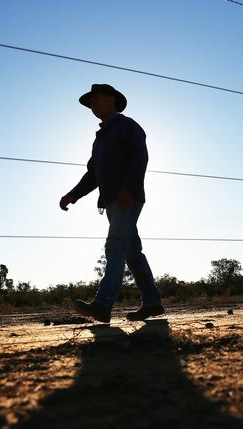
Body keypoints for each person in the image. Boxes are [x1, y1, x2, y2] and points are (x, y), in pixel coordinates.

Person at [59, 83, 164, 323]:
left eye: (97, 99)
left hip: (127, 198)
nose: (93, 105)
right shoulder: (100, 139)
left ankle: (103, 304)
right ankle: (152, 302)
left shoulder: (128, 126)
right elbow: (93, 174)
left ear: (112, 100)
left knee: (115, 246)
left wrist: (129, 189)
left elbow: (140, 158)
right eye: (90, 102)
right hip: (111, 202)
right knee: (131, 252)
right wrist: (73, 195)